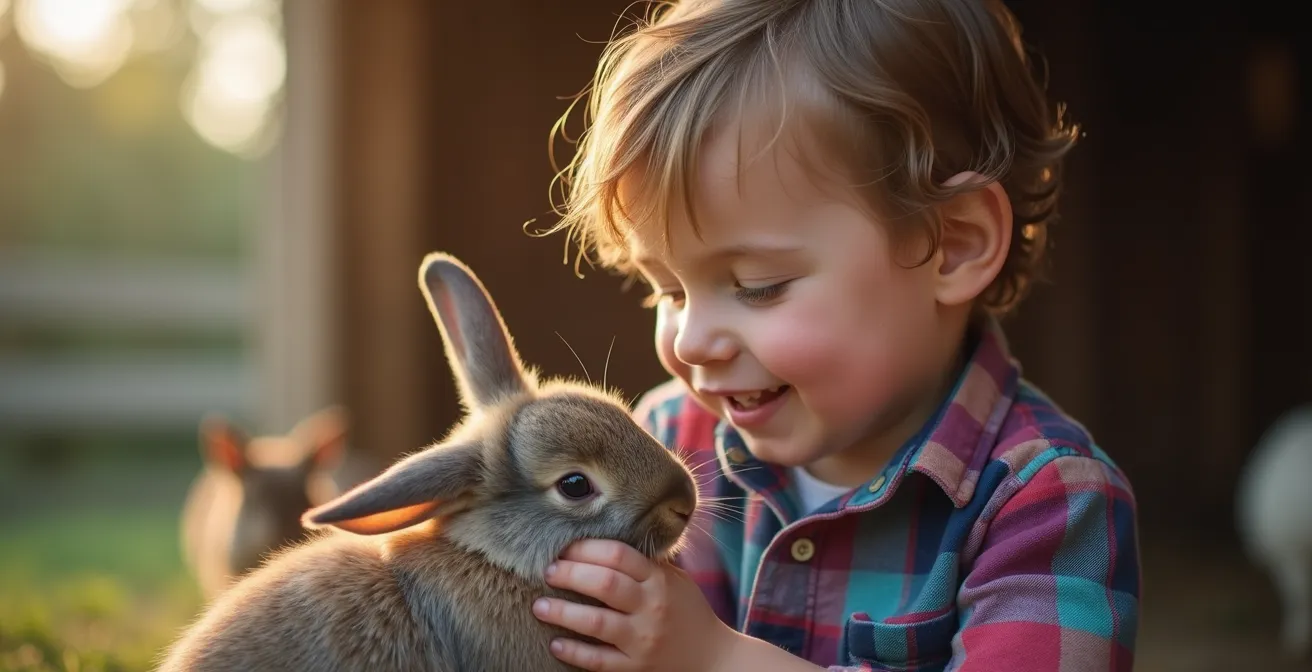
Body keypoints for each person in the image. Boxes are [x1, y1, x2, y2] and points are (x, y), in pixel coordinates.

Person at [528, 1, 1141, 669]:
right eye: (667, 290)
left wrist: (714, 660)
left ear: (954, 245)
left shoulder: (1047, 503)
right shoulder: (663, 450)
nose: (692, 340)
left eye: (758, 284)